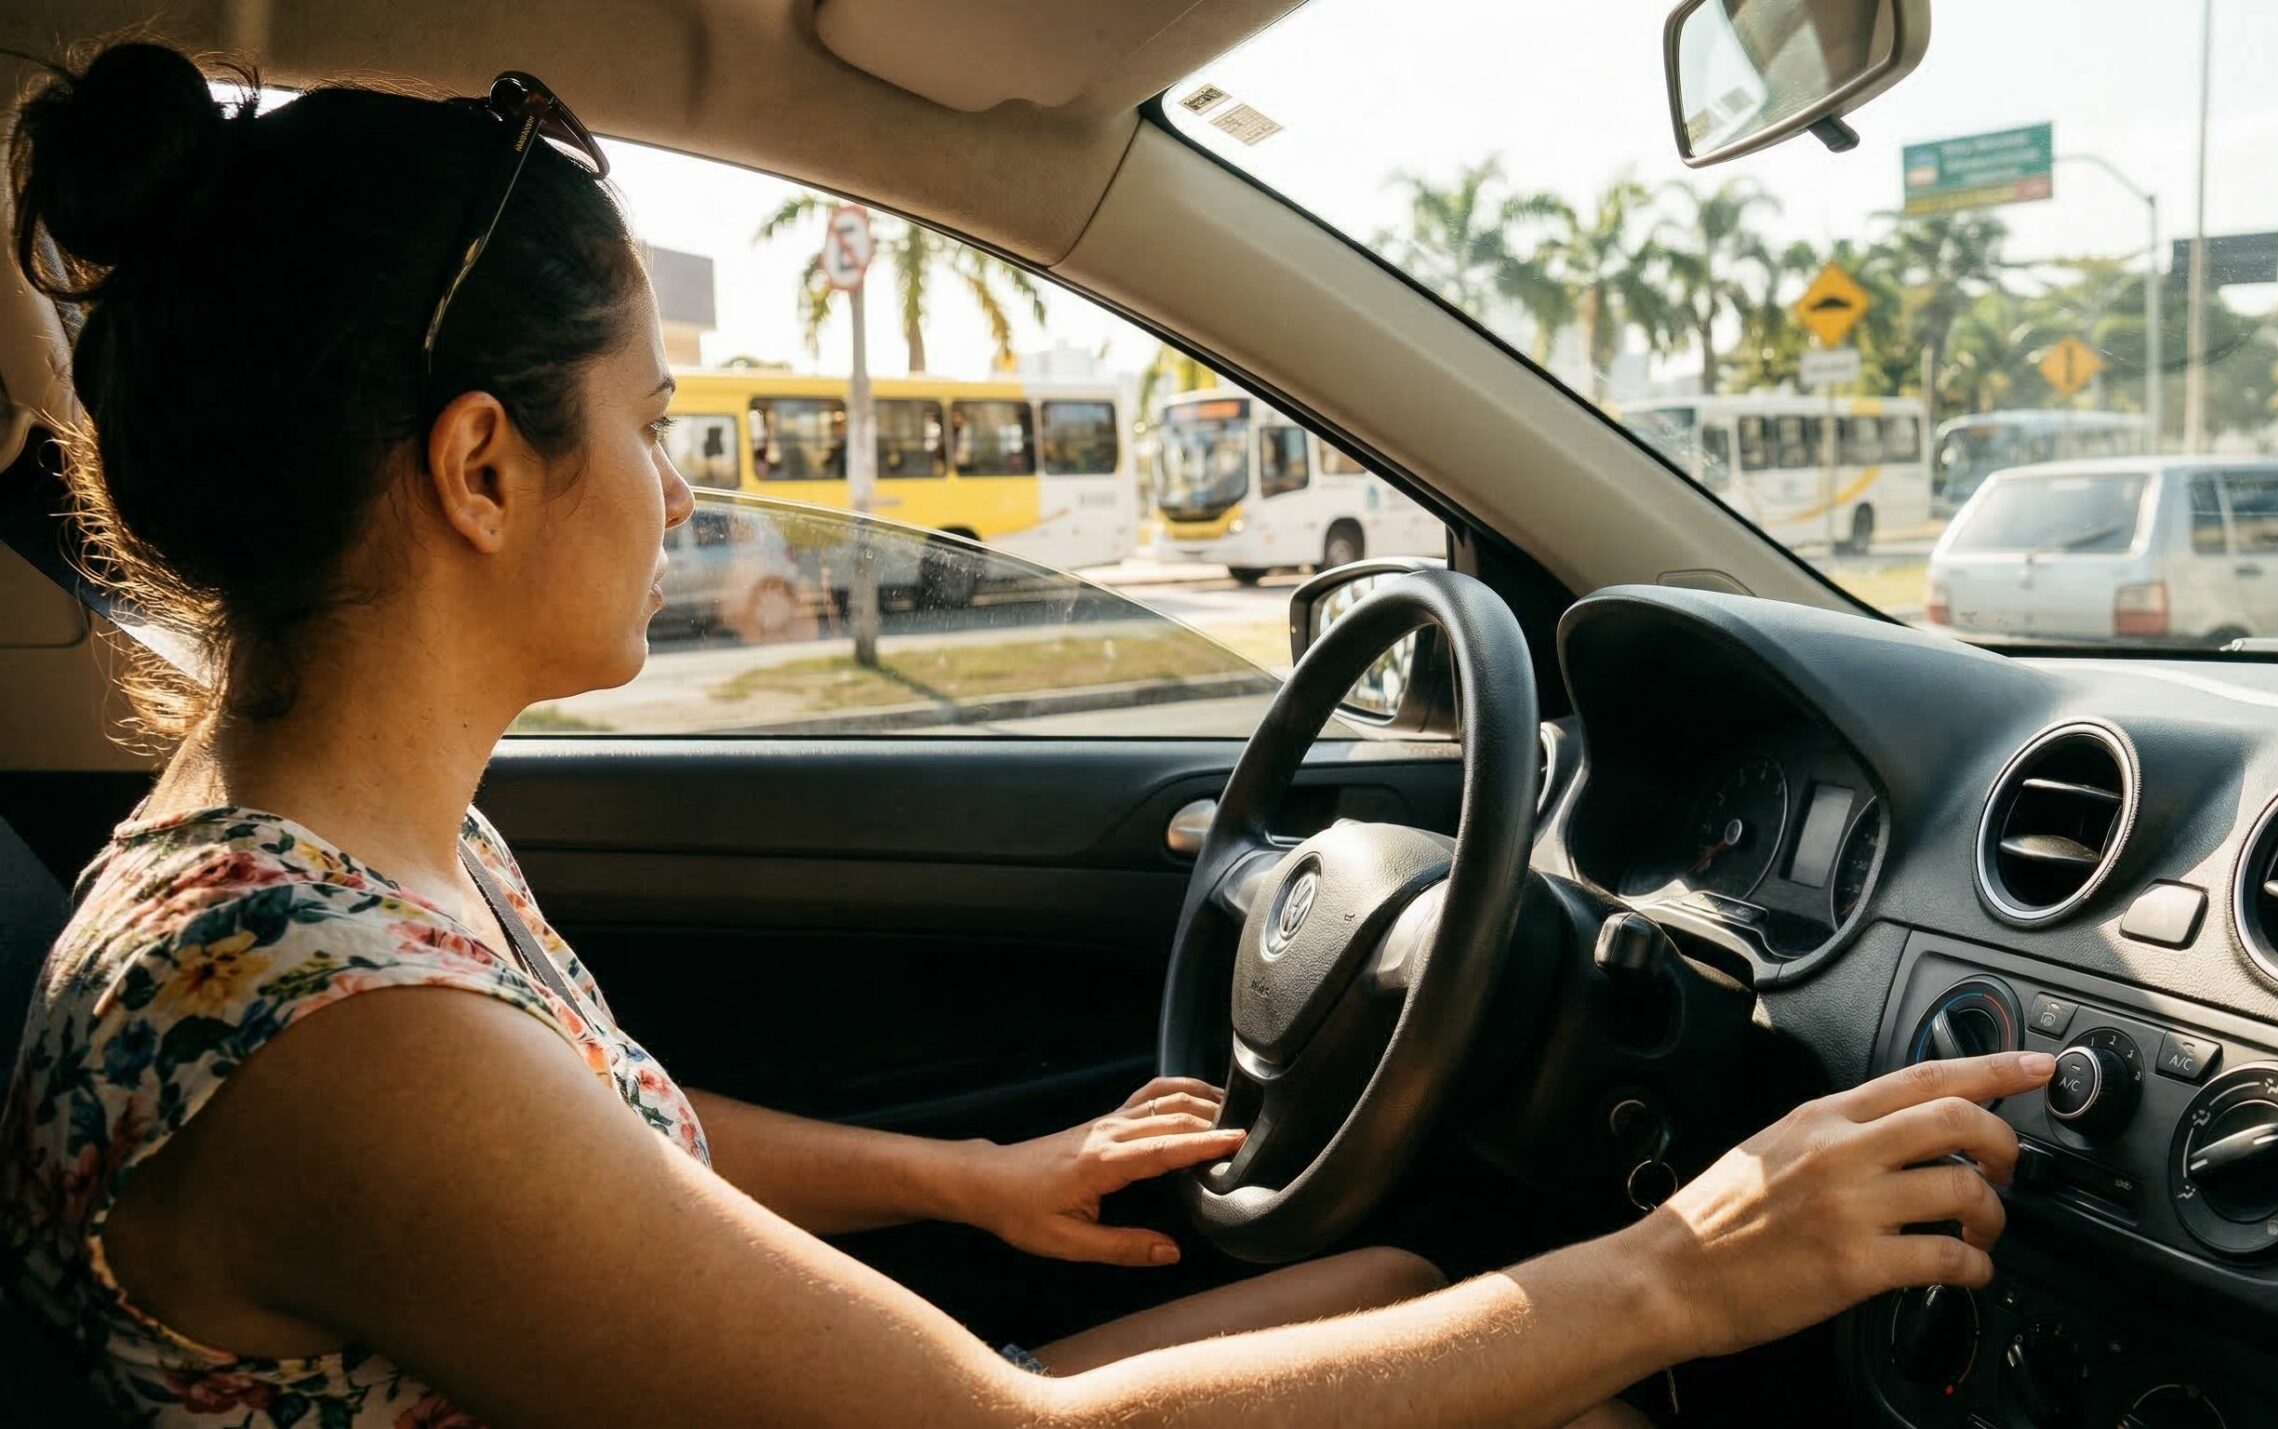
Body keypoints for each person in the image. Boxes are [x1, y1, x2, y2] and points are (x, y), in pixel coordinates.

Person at [0, 41, 2052, 1428]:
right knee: (1592, 1377)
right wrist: (1693, 1265)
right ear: (477, 466)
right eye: (646, 425)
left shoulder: (325, 851)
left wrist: (972, 1178)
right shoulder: (324, 1021)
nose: (684, 491)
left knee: (1421, 1279)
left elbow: (604, 1144)